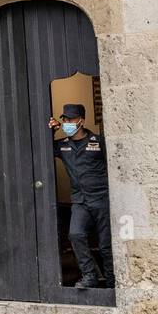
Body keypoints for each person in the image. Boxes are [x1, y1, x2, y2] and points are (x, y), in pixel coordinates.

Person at [48, 104, 114, 288]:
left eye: (70, 119)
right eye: (65, 120)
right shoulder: (63, 146)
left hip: (101, 198)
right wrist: (51, 132)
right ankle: (90, 276)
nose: (67, 123)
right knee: (76, 234)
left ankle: (111, 281)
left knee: (105, 245)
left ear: (81, 121)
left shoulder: (98, 142)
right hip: (80, 200)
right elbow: (43, 151)